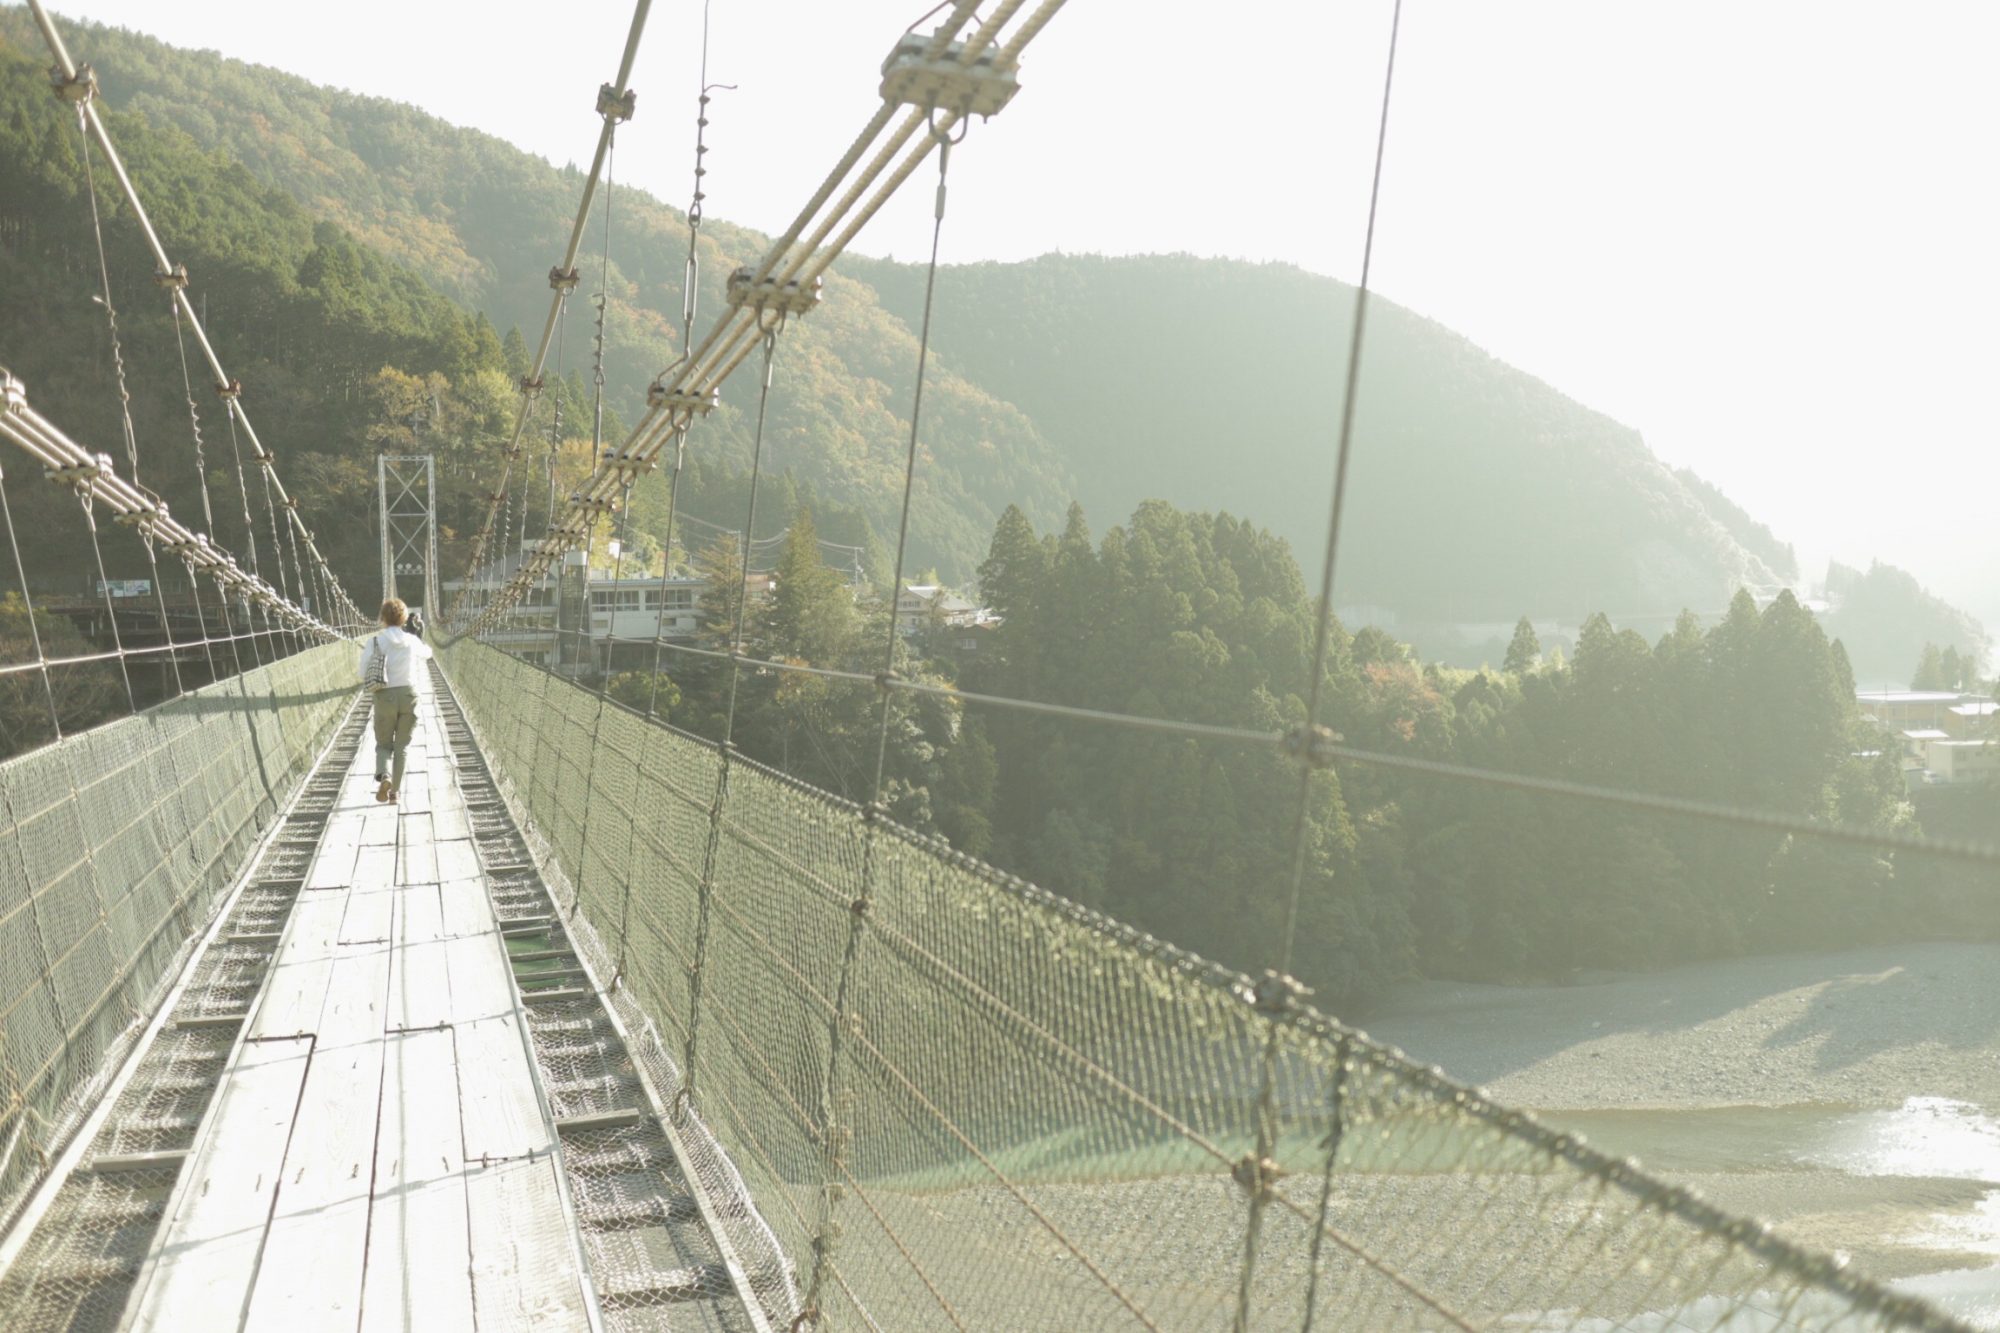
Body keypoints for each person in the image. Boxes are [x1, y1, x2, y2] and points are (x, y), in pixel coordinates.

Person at [358, 597, 432, 804]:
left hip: (384, 697)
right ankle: (394, 794)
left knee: (383, 745)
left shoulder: (374, 642)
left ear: (382, 618)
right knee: (402, 747)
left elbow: (362, 672)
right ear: (404, 618)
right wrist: (419, 636)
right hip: (409, 696)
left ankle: (385, 775)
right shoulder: (411, 640)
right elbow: (428, 654)